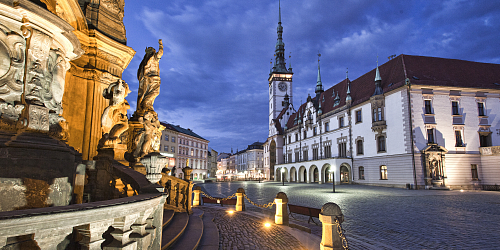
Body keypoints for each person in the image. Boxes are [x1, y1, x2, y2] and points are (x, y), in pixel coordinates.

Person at [135, 39, 163, 117]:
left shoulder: (148, 60)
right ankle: (145, 104)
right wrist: (161, 45)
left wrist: (161, 46)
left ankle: (148, 105)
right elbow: (160, 53)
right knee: (154, 92)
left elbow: (160, 54)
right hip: (151, 78)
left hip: (154, 79)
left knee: (151, 92)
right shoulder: (153, 58)